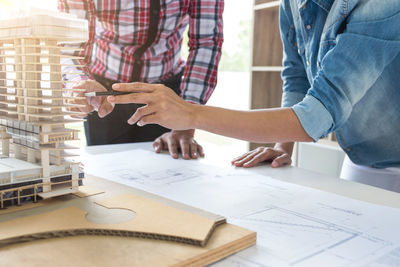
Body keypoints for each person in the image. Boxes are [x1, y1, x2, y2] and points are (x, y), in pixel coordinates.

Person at [105, 0, 400, 192]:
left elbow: (320, 112)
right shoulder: (292, 4)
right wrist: (284, 146)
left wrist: (190, 114)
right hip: (362, 159)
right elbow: (297, 73)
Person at [57, 0, 224, 159]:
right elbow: (71, 44)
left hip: (167, 93)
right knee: (109, 175)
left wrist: (188, 115)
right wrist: (77, 82)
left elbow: (206, 42)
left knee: (165, 171)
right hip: (103, 90)